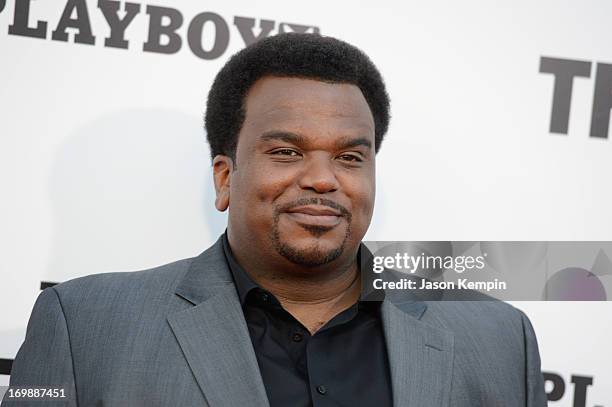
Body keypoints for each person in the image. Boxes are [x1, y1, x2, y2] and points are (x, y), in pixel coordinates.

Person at [3, 33, 546, 407]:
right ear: (224, 177)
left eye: (350, 157)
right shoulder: (84, 328)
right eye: (287, 152)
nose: (322, 179)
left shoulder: (498, 338)